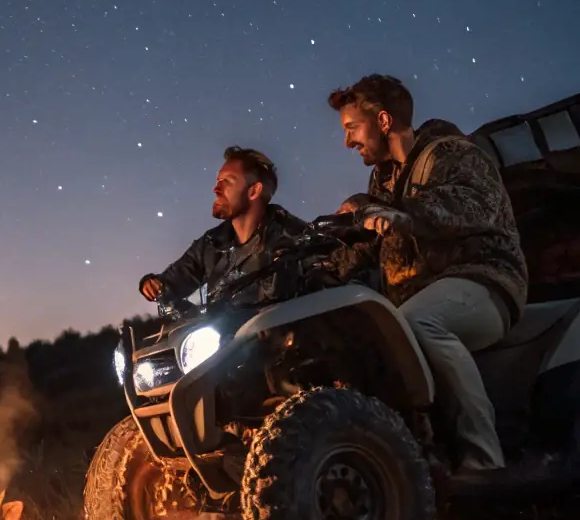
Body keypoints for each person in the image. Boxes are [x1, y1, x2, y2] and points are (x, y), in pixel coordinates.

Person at [327, 74, 527, 480]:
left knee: (418, 321)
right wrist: (323, 263)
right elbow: (370, 240)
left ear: (383, 121)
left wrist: (399, 213)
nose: (347, 142)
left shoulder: (452, 152)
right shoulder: (384, 180)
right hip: (421, 294)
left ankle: (485, 460)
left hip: (484, 280)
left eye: (352, 128)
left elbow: (471, 205)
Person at [139, 147, 307, 309]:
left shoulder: (294, 237)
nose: (216, 189)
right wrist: (155, 285)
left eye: (227, 182)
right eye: (218, 181)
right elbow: (178, 277)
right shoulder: (212, 243)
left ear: (254, 191)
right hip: (227, 327)